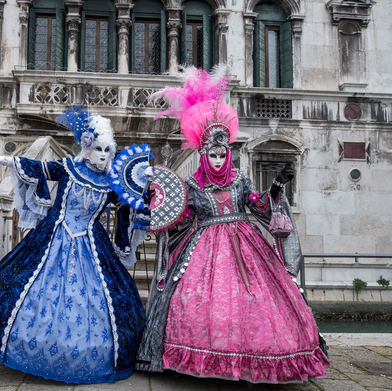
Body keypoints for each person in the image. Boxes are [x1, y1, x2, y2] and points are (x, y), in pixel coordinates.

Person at [136, 67, 330, 383]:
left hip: (248, 247)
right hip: (202, 251)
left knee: (260, 299)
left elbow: (259, 205)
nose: (216, 160)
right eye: (211, 155)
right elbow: (181, 220)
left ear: (228, 153)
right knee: (195, 300)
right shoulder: (193, 186)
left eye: (221, 154)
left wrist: (278, 186)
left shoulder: (241, 180)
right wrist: (157, 203)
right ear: (203, 153)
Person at [0, 107, 147, 384]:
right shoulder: (69, 168)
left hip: (91, 243)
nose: (103, 155)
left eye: (108, 151)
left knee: (103, 298)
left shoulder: (111, 183)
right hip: (53, 237)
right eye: (98, 149)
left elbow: (128, 204)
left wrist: (143, 184)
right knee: (25, 287)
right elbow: (40, 168)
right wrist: (4, 160)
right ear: (87, 149)